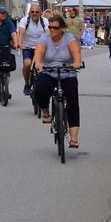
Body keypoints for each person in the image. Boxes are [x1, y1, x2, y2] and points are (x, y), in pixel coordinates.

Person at [32, 14, 85, 149]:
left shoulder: (69, 38)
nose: (51, 30)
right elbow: (39, 52)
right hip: (49, 71)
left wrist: (77, 63)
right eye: (49, 27)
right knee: (40, 89)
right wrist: (38, 63)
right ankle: (45, 112)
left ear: (63, 28)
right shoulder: (45, 38)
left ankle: (73, 139)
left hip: (67, 72)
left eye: (55, 27)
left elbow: (76, 53)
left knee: (73, 102)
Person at [15, 4, 49, 110]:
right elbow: (21, 33)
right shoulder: (24, 20)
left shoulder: (45, 21)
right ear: (29, 12)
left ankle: (42, 85)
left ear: (40, 13)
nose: (34, 14)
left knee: (42, 68)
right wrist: (20, 44)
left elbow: (48, 34)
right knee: (27, 64)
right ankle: (27, 84)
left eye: (36, 12)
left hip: (40, 48)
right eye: (32, 12)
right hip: (28, 47)